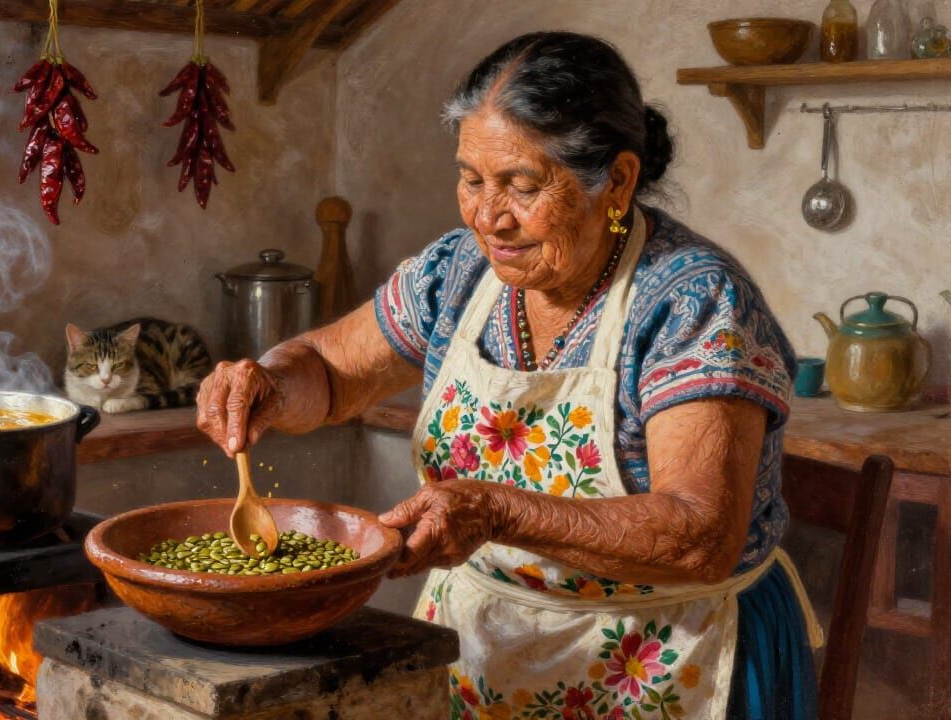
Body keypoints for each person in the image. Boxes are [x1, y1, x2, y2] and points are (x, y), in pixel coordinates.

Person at [197, 31, 819, 720]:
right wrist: (272, 383)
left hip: (672, 660)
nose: (487, 217)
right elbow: (332, 372)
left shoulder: (691, 301)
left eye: (522, 186)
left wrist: (495, 511)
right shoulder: (458, 271)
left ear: (616, 180)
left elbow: (700, 535)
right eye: (471, 179)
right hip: (484, 655)